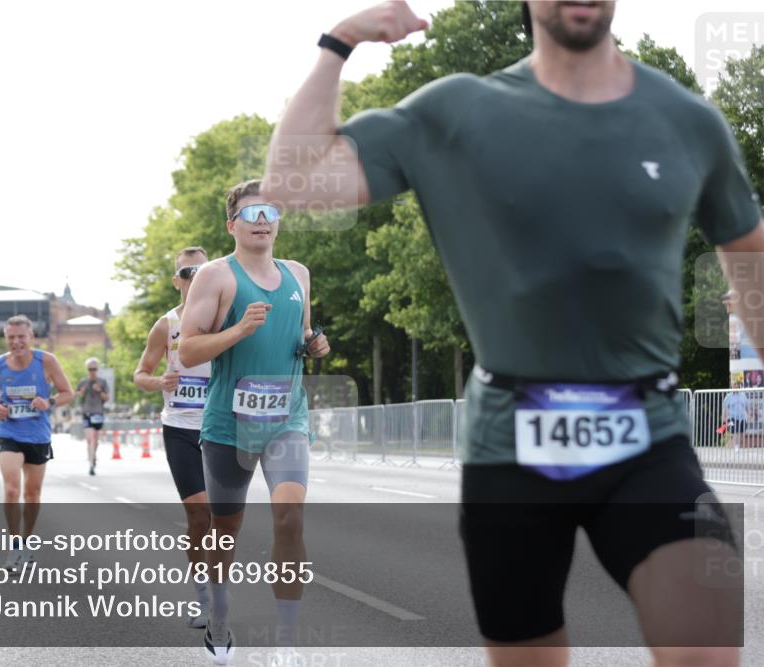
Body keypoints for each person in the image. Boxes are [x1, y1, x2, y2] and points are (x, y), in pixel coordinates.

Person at [263, 1, 763, 664]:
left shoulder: (686, 120)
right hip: (511, 449)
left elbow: (749, 255)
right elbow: (290, 184)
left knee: (704, 646)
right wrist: (341, 40)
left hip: (649, 437)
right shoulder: (457, 112)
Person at [179, 180, 330, 664]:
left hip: (287, 419)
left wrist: (315, 344)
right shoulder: (215, 277)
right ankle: (219, 620)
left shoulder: (298, 274)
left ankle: (286, 640)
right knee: (226, 533)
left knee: (290, 518)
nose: (262, 219)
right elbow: (187, 349)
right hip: (228, 425)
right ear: (233, 225)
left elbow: (301, 334)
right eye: (251, 212)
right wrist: (239, 329)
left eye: (269, 210)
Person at [134, 246, 213, 629]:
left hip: (221, 427)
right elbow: (140, 372)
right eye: (187, 272)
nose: (194, 277)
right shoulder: (166, 325)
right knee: (199, 514)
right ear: (176, 280)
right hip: (180, 426)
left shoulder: (225, 319)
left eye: (201, 270)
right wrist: (157, 381)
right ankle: (205, 599)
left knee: (224, 517)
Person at [0, 314, 73, 571]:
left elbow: (67, 392)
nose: (16, 342)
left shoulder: (46, 361)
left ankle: (27, 542)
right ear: (6, 338)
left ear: (31, 337)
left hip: (37, 434)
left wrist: (49, 402)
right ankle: (14, 547)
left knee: (32, 493)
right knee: (12, 490)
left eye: (21, 337)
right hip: (9, 431)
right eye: (11, 337)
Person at [76, 358, 109, 475]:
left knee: (96, 439)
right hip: (87, 413)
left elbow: (107, 398)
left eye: (94, 369)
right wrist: (82, 392)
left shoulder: (102, 382)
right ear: (87, 370)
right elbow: (76, 394)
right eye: (90, 369)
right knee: (90, 439)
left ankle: (93, 456)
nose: (92, 371)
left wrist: (100, 391)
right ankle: (91, 464)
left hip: (98, 413)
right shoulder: (83, 382)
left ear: (98, 369)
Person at [722, 382, 749, 451]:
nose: (735, 388)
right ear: (732, 387)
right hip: (732, 417)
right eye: (734, 386)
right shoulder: (728, 396)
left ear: (738, 387)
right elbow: (725, 407)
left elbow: (747, 406)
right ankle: (736, 445)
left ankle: (738, 444)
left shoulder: (743, 395)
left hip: (742, 417)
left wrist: (749, 415)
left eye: (736, 386)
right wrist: (724, 418)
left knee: (742, 433)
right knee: (736, 431)